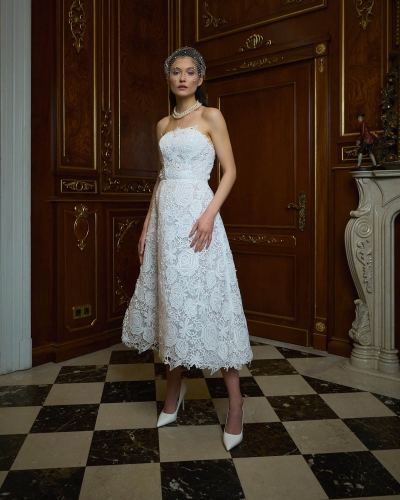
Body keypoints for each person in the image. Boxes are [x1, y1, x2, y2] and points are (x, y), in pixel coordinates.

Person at [122, 47, 253, 451]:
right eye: (176, 72)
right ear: (169, 78)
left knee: (212, 302)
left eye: (190, 72)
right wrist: (147, 226)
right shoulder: (162, 125)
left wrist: (210, 214)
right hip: (167, 224)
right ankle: (173, 394)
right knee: (171, 304)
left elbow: (230, 171)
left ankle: (235, 403)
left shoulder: (212, 116)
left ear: (200, 78)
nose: (182, 77)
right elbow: (161, 180)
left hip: (200, 220)